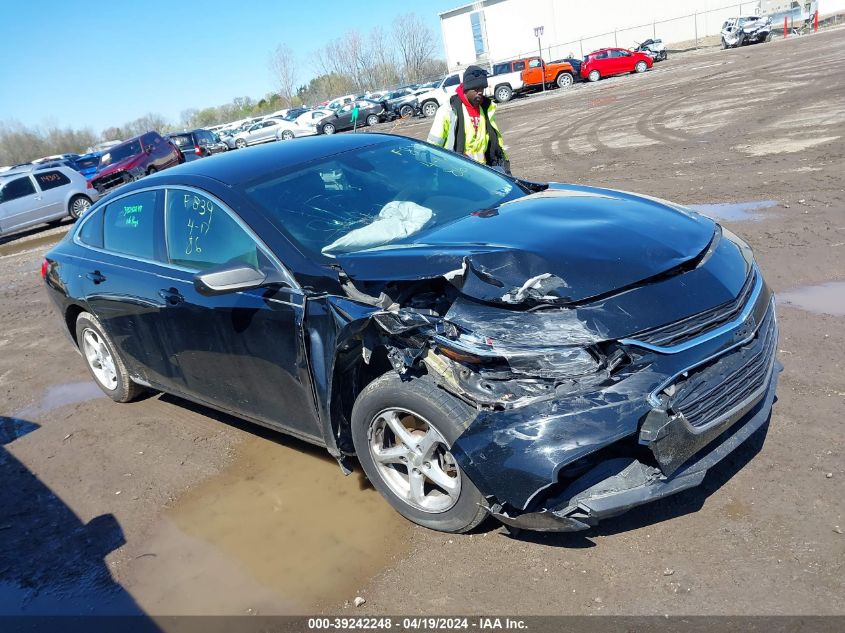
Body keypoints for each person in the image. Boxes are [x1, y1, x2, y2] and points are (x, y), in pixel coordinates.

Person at [426, 65, 510, 173]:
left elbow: (497, 142)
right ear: (466, 89)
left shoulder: (486, 109)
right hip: (456, 173)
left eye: (482, 89)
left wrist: (504, 166)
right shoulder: (448, 111)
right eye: (476, 89)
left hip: (483, 172)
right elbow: (433, 147)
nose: (480, 92)